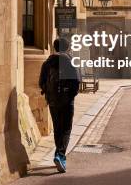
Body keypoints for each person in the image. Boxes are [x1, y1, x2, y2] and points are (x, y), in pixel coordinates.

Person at [38, 38, 81, 173]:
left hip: (53, 101)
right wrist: (71, 96)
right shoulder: (69, 61)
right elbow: (76, 82)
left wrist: (49, 94)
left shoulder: (47, 62)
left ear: (55, 48)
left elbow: (41, 82)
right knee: (66, 128)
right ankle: (60, 155)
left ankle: (59, 154)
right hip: (67, 101)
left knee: (57, 128)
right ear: (67, 48)